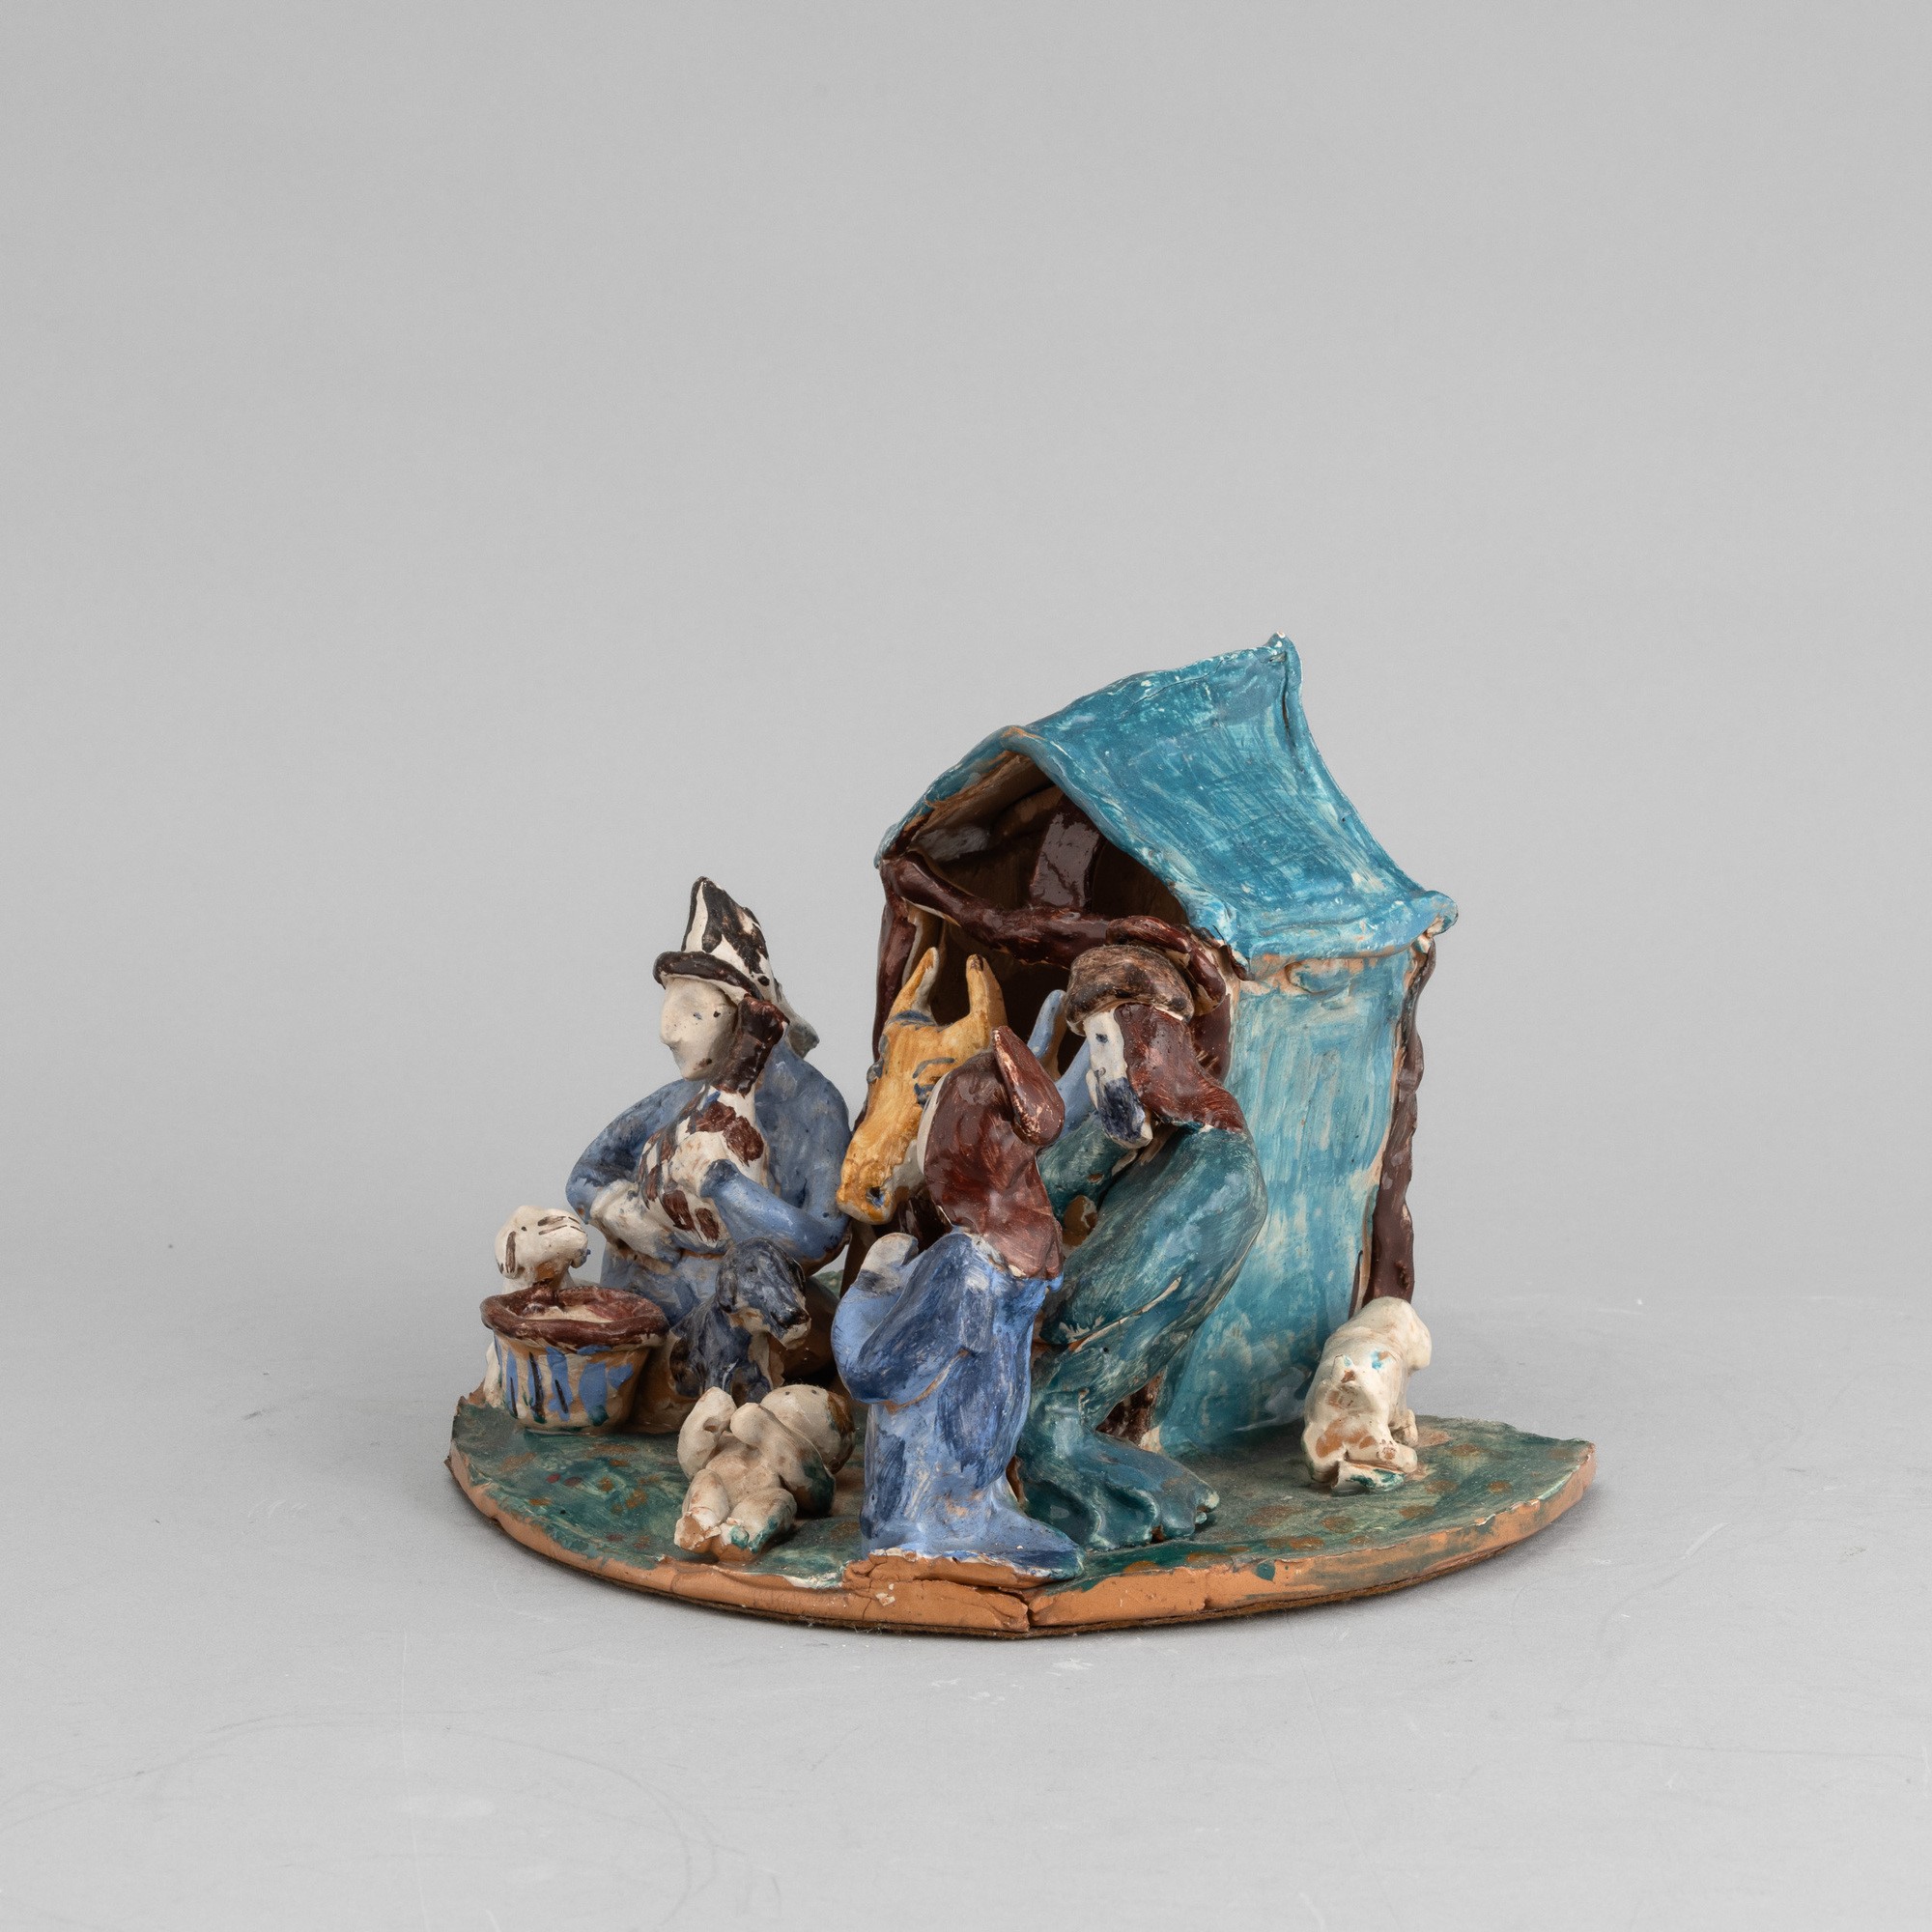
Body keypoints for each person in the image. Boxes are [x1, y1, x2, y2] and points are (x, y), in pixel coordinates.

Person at [1015, 944, 1268, 1550]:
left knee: (1036, 1426)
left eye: (1103, 1043)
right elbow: (1046, 1183)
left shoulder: (1217, 1165)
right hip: (1093, 1332)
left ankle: (1144, 1509)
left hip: (1102, 1339)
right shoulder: (1137, 1130)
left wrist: (1039, 1307)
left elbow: (1107, 1291)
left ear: (1148, 1043)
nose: (1097, 1066)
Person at [565, 879, 850, 1327]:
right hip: (644, 1298)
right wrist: (619, 1212)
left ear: (746, 1012)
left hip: (736, 1313)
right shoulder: (679, 1097)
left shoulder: (814, 1107)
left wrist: (724, 1185)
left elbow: (825, 1236)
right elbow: (586, 1173)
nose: (668, 1033)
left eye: (694, 1011)